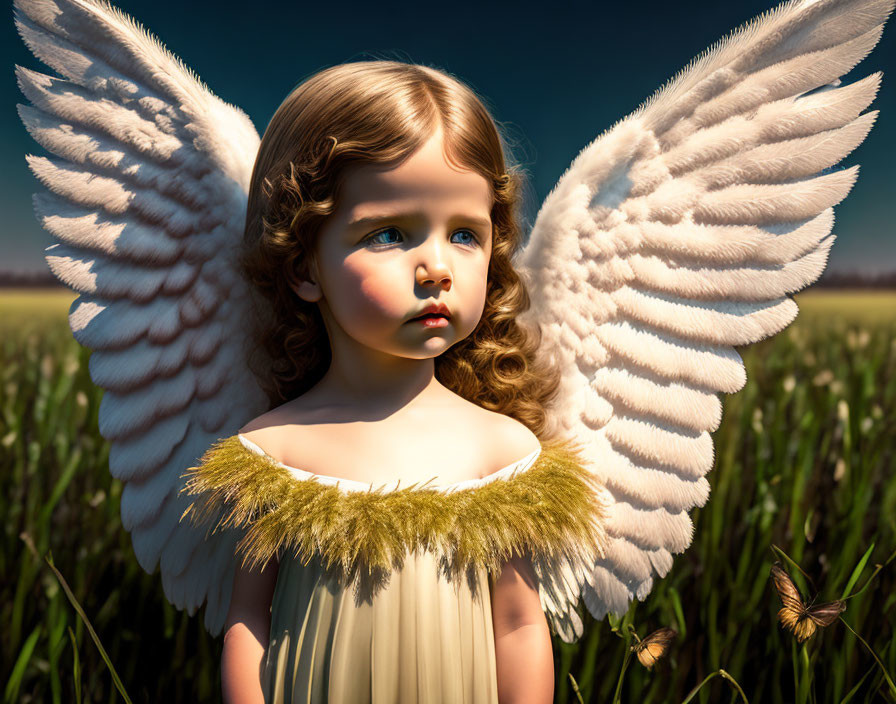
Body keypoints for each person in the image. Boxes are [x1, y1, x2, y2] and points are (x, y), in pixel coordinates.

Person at [178, 61, 607, 702]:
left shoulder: (500, 452)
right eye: (388, 234)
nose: (436, 267)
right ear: (303, 267)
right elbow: (250, 621)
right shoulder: (275, 451)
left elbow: (518, 626)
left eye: (465, 234)